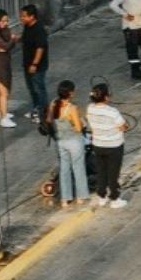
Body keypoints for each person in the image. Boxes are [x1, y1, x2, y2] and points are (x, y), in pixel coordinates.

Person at [85, 82, 134, 207]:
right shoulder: (112, 111)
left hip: (98, 144)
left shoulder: (90, 108)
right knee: (113, 173)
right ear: (106, 97)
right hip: (114, 146)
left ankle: (101, 196)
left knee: (101, 171)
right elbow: (124, 127)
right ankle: (114, 198)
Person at [48, 80, 89, 209]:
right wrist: (83, 122)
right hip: (74, 141)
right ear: (70, 93)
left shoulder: (53, 104)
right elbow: (78, 128)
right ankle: (81, 196)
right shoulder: (71, 108)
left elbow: (49, 120)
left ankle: (65, 199)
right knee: (78, 168)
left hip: (61, 141)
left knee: (64, 169)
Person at [19, 5, 49, 119]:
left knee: (39, 88)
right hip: (27, 64)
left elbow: (40, 48)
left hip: (37, 66)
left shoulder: (39, 29)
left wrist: (34, 64)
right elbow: (25, 39)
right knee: (31, 88)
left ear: (32, 17)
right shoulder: (27, 27)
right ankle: (36, 108)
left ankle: (43, 113)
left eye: (24, 16)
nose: (22, 18)